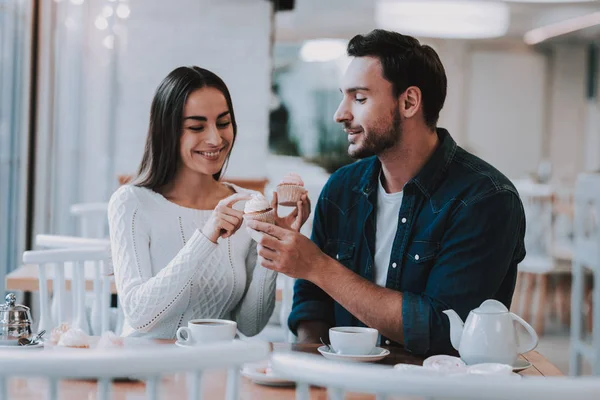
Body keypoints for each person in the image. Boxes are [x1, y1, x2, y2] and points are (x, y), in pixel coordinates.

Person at [247, 30, 526, 356]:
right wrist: (312, 374)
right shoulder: (341, 189)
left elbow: (446, 332)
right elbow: (313, 304)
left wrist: (317, 266)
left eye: (359, 98)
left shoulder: (485, 200)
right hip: (344, 385)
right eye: (343, 96)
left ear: (409, 102)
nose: (340, 114)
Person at [108, 66, 309, 339]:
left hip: (218, 368)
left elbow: (250, 325)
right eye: (196, 126)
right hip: (148, 371)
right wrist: (206, 236)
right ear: (167, 131)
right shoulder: (131, 203)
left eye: (223, 123)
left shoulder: (247, 204)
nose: (215, 138)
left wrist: (270, 245)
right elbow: (139, 315)